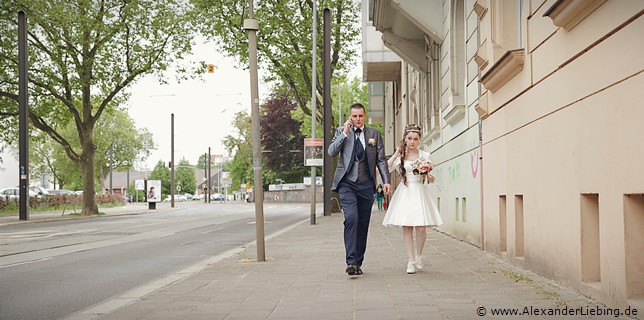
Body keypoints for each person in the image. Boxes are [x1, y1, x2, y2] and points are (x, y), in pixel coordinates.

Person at [328, 103, 391, 276]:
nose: (357, 119)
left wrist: (386, 181)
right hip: (347, 183)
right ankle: (350, 260)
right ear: (350, 116)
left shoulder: (374, 134)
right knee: (351, 218)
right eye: (354, 116)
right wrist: (345, 133)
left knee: (363, 224)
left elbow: (381, 160)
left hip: (366, 184)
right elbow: (331, 152)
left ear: (364, 116)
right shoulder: (342, 131)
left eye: (360, 116)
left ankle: (358, 262)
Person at [382, 124, 443, 274]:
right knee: (407, 226)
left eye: (415, 139)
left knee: (421, 227)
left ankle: (419, 255)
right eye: (409, 138)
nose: (412, 141)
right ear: (405, 139)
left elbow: (432, 178)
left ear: (419, 140)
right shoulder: (401, 157)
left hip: (420, 191)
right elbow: (386, 168)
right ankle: (410, 261)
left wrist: (428, 175)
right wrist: (396, 153)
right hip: (406, 191)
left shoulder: (425, 156)